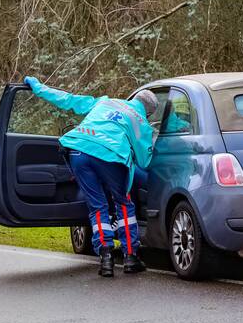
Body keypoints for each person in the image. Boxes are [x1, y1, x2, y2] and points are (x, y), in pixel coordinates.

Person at [24, 76, 158, 277]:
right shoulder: (140, 122)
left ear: (135, 98)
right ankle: (130, 257)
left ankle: (105, 258)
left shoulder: (105, 101)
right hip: (110, 156)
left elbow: (67, 100)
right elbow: (144, 161)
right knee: (123, 203)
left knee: (97, 206)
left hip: (78, 149)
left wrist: (38, 87)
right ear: (148, 113)